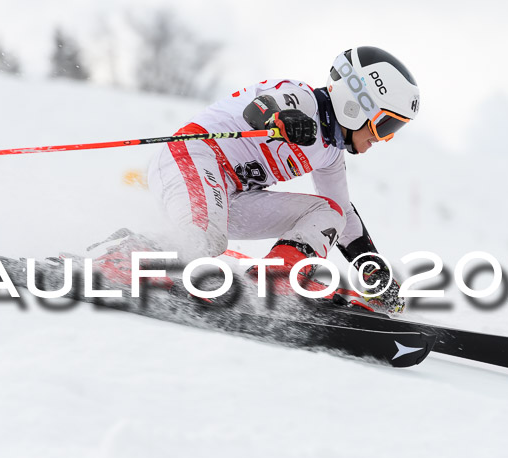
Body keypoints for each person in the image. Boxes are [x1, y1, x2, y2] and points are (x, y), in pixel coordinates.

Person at [146, 46, 420, 311]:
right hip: (190, 158)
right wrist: (283, 119)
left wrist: (375, 273)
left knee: (331, 212)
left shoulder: (330, 155)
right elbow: (258, 109)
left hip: (228, 196)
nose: (383, 138)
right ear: (356, 106)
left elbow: (345, 217)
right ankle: (123, 255)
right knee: (205, 240)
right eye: (386, 125)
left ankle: (275, 281)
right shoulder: (303, 98)